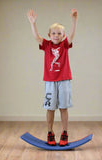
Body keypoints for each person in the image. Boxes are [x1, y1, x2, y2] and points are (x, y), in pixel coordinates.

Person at [27, 9, 78, 146]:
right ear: (49, 35)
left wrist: (74, 20)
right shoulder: (47, 45)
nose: (56, 35)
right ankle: (50, 132)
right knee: (50, 108)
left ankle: (64, 133)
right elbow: (37, 37)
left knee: (63, 107)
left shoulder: (65, 45)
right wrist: (33, 23)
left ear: (63, 35)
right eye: (53, 33)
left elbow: (72, 35)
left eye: (59, 33)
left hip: (64, 80)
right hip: (50, 81)